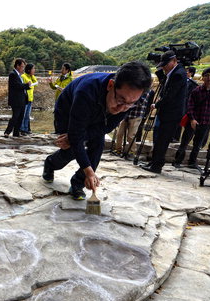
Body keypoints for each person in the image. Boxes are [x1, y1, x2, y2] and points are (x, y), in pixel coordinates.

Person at [42, 62, 152, 200]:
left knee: (97, 146)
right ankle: (50, 163)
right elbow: (77, 134)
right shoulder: (87, 90)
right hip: (69, 110)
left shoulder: (131, 99)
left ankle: (78, 184)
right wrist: (88, 169)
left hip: (99, 114)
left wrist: (88, 171)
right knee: (71, 149)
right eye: (120, 100)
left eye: (130, 103)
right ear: (110, 85)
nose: (122, 108)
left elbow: (107, 127)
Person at [141, 50, 187, 174]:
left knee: (163, 140)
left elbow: (170, 95)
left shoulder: (178, 74)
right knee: (159, 138)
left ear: (174, 61)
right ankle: (154, 161)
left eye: (166, 64)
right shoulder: (172, 73)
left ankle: (156, 165)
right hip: (167, 112)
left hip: (171, 113)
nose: (164, 67)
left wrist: (156, 104)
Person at [173, 67, 210, 168]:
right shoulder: (196, 91)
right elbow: (190, 106)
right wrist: (192, 119)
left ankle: (192, 162)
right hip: (193, 121)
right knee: (184, 142)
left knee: (198, 144)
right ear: (202, 78)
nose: (209, 78)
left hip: (206, 122)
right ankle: (177, 161)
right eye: (206, 75)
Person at [113, 89, 151, 155]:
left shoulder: (145, 91)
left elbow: (140, 102)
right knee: (119, 133)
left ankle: (133, 152)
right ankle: (118, 150)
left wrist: (128, 101)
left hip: (136, 115)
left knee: (131, 136)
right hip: (126, 114)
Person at [4, 58, 31, 138]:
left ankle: (16, 132)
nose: (23, 69)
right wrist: (26, 85)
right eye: (22, 67)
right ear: (17, 66)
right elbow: (16, 86)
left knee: (20, 117)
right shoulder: (12, 74)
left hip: (22, 99)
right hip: (16, 100)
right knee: (15, 116)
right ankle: (7, 132)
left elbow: (21, 86)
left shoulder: (20, 76)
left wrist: (27, 86)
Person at [174, 66, 199, 142]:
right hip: (178, 104)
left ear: (191, 73)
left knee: (182, 122)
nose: (185, 73)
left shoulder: (194, 84)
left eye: (187, 71)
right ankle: (174, 137)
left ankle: (179, 139)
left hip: (187, 106)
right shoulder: (181, 81)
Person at [20, 63, 38, 135]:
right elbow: (23, 86)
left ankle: (26, 129)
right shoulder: (23, 76)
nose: (34, 70)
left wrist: (32, 75)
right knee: (23, 115)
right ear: (28, 70)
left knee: (27, 115)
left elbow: (36, 83)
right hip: (25, 98)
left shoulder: (31, 77)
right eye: (33, 69)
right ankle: (22, 129)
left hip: (30, 99)